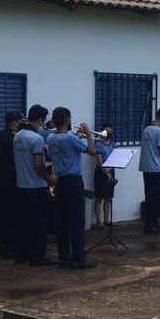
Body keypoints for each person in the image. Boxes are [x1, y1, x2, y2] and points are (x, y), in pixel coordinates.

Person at [47, 107, 98, 269]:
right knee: (77, 222)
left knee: (62, 222)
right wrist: (88, 135)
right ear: (68, 120)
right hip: (74, 181)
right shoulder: (69, 138)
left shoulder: (50, 138)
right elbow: (91, 151)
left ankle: (64, 258)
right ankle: (79, 259)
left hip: (60, 181)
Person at [13, 104, 57, 266]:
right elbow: (38, 164)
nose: (43, 125)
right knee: (40, 223)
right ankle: (37, 257)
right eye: (43, 121)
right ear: (39, 120)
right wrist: (48, 179)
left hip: (21, 185)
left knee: (23, 221)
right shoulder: (36, 139)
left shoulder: (17, 136)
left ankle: (22, 254)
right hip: (36, 186)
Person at [0, 111, 23, 258]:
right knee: (10, 215)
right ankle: (9, 248)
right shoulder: (12, 139)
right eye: (19, 122)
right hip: (9, 181)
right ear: (14, 123)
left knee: (0, 215)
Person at [92, 123, 117, 229]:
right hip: (101, 171)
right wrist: (105, 171)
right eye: (107, 132)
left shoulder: (113, 144)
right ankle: (99, 222)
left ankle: (107, 220)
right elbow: (99, 161)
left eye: (110, 132)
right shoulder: (98, 144)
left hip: (111, 170)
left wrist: (109, 171)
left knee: (108, 197)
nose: (109, 134)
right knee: (99, 197)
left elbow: (116, 158)